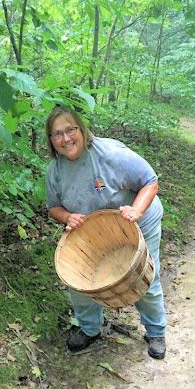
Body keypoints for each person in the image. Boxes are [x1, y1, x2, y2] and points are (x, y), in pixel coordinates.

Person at [45, 106, 167, 359]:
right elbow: (53, 208)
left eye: (70, 130)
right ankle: (90, 329)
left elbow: (150, 181)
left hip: (137, 221)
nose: (66, 139)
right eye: (58, 134)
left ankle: (156, 331)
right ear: (51, 140)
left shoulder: (110, 155)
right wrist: (67, 217)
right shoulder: (55, 171)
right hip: (96, 231)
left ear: (82, 129)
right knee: (79, 282)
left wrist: (136, 210)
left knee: (144, 276)